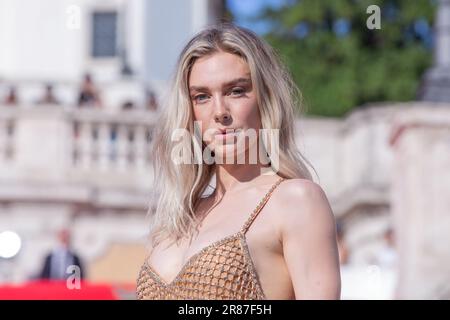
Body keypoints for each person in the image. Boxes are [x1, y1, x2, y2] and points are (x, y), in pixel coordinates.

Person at [136, 23, 341, 300]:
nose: (220, 111)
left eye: (236, 91)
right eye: (202, 96)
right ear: (189, 111)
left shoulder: (295, 200)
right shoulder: (179, 218)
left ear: (265, 100)